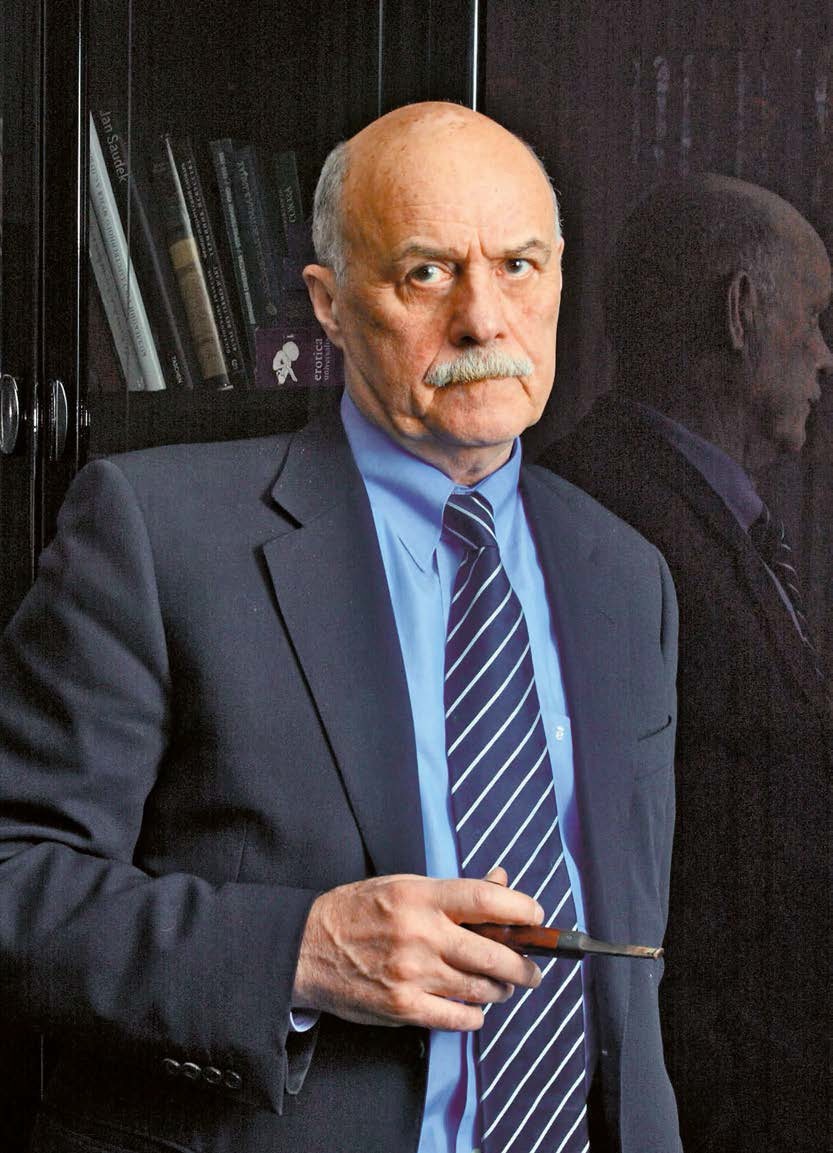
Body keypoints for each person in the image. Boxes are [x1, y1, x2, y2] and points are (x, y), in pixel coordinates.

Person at [0, 103, 680, 1153]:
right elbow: (15, 876)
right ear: (326, 304)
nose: (482, 319)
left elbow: (629, 987)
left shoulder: (627, 577)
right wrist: (298, 952)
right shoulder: (156, 533)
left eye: (517, 266)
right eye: (426, 273)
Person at [544, 173, 833, 1153]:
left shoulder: (675, 504)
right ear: (739, 312)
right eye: (811, 318)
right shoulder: (600, 517)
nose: (822, 355)